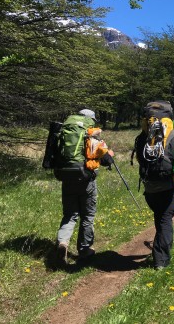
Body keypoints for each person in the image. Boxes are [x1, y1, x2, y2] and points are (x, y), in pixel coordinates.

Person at [135, 101, 174, 269]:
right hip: (168, 185)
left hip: (149, 186)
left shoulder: (144, 136)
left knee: (160, 217)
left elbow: (140, 160)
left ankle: (159, 251)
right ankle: (161, 260)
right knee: (165, 220)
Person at [55, 108, 113, 265]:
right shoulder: (91, 135)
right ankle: (85, 250)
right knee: (87, 215)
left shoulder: (65, 132)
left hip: (67, 178)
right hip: (86, 180)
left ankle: (63, 243)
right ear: (91, 120)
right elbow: (107, 159)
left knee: (70, 215)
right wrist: (109, 156)